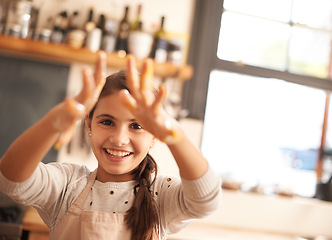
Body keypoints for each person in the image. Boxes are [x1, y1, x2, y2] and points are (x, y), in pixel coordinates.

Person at [0, 51, 222, 240]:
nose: (119, 139)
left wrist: (175, 135)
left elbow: (206, 200)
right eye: (107, 122)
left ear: (154, 135)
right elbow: (11, 179)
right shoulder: (67, 184)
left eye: (136, 126)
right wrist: (53, 122)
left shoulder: (161, 195)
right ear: (89, 124)